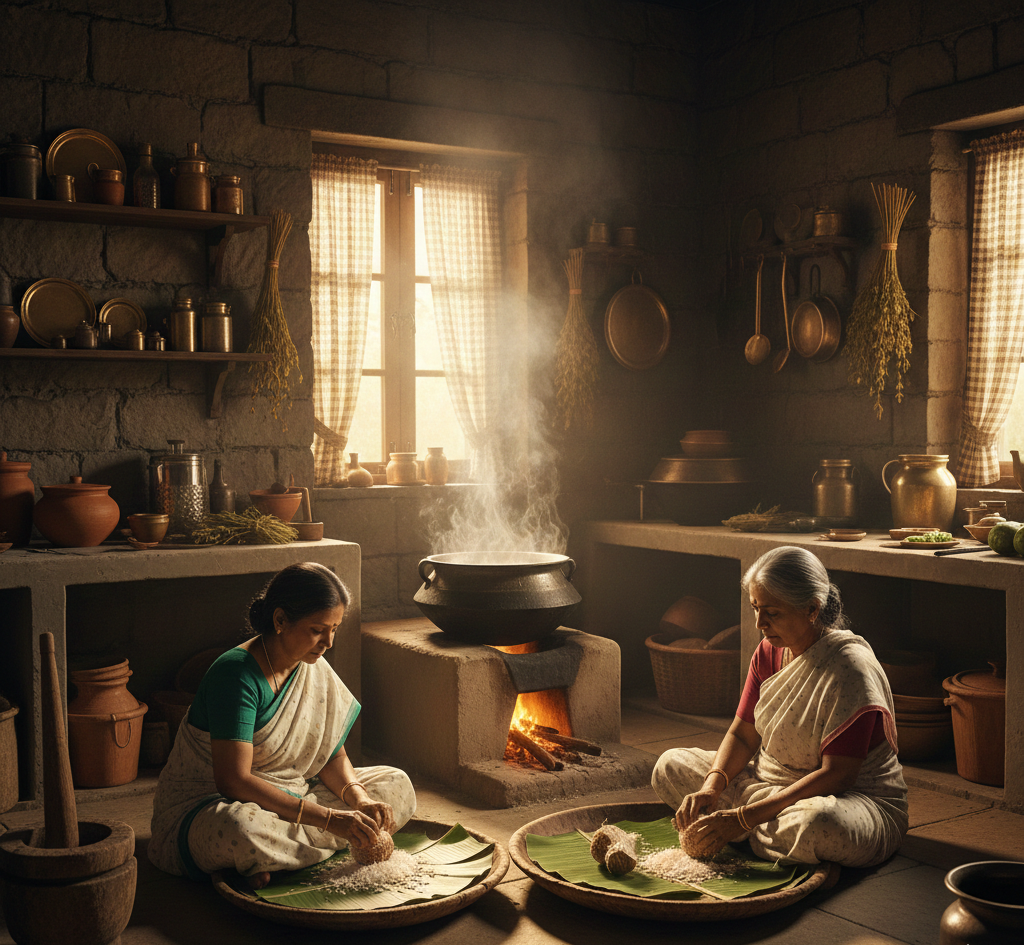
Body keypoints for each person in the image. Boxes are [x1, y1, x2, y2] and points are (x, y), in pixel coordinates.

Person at [149, 562, 416, 887]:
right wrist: (330, 819)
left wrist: (360, 801)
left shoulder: (312, 665)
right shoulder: (235, 674)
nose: (328, 642)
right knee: (243, 831)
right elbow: (233, 781)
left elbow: (332, 757)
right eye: (317, 630)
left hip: (296, 794)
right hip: (214, 803)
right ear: (279, 620)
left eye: (334, 628)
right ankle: (293, 849)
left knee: (396, 785)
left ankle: (274, 860)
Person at [652, 546, 907, 868]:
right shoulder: (768, 651)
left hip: (845, 799)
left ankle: (745, 831)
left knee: (819, 825)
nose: (759, 623)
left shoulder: (850, 668)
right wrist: (711, 787)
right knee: (670, 765)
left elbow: (838, 776)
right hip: (768, 785)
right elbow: (742, 735)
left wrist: (744, 817)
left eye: (772, 613)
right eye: (755, 608)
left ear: (812, 609)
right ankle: (764, 837)